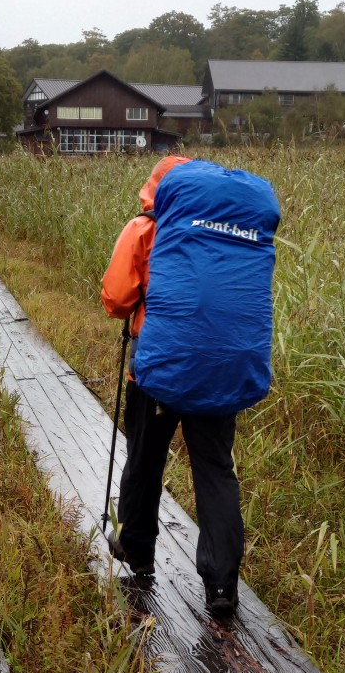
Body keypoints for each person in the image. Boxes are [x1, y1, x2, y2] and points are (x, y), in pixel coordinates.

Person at [101, 155, 278, 617]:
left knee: (145, 458)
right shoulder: (230, 229)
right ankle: (221, 585)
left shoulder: (145, 228)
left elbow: (117, 300)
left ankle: (137, 552)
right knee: (216, 470)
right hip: (222, 366)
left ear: (156, 189)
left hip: (158, 368)